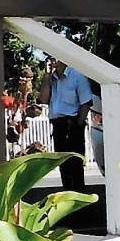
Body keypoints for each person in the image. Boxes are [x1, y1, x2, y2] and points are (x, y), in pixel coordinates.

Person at [39, 56, 92, 190]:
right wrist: (46, 76)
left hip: (72, 122)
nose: (52, 59)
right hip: (58, 125)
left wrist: (78, 125)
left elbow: (86, 102)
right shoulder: (52, 78)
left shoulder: (77, 75)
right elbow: (44, 99)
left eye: (54, 56)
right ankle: (67, 194)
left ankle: (79, 196)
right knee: (63, 165)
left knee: (76, 164)